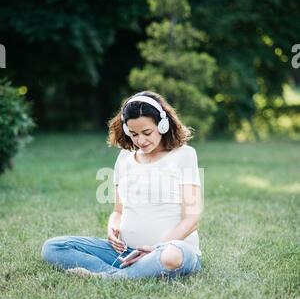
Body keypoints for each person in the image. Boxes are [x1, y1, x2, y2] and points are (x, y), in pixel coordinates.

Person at [41, 91, 202, 280]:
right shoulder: (125, 157)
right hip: (125, 253)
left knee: (172, 256)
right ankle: (126, 272)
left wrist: (155, 247)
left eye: (147, 132)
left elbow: (191, 219)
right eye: (134, 134)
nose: (140, 141)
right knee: (53, 247)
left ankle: (111, 277)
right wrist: (113, 227)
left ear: (163, 125)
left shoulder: (184, 155)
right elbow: (118, 211)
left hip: (168, 250)